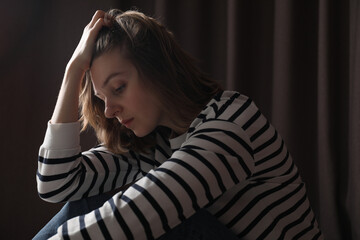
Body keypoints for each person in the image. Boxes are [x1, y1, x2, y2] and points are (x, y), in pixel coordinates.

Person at [35, 9, 323, 239]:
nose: (109, 110)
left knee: (158, 213)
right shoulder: (152, 145)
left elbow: (139, 212)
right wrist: (72, 72)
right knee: (87, 202)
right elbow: (57, 183)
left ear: (158, 70)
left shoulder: (233, 122)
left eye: (119, 87)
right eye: (102, 98)